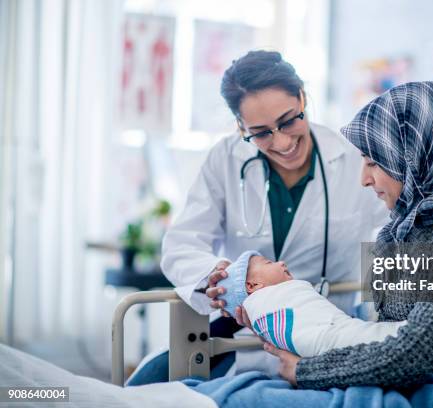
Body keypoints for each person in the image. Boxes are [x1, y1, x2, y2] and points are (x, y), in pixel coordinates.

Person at [127, 50, 387, 384]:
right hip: (243, 333)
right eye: (261, 132)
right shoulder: (226, 158)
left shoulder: (353, 159)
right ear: (240, 126)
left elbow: (393, 237)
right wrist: (216, 277)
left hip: (323, 332)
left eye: (290, 120)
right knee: (144, 387)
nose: (282, 142)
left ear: (303, 98)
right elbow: (181, 245)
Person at [261, 81, 433, 399]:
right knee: (243, 389)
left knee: (245, 398)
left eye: (373, 162)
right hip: (396, 383)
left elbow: (417, 352)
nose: (363, 179)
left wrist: (306, 371)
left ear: (413, 156)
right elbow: (379, 330)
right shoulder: (400, 229)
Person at [218, 250, 406, 358]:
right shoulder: (264, 305)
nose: (282, 262)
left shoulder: (286, 294)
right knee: (381, 338)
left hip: (336, 326)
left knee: (373, 336)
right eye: (269, 263)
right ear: (253, 285)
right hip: (326, 338)